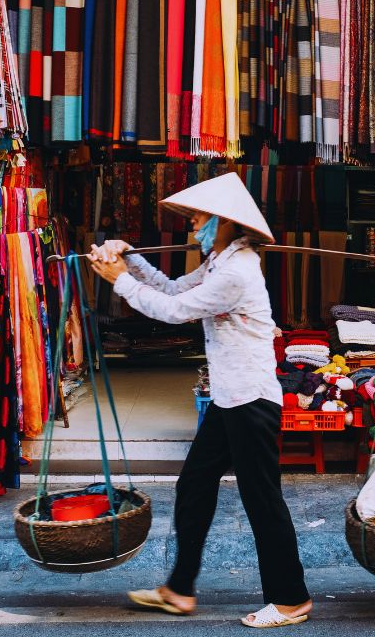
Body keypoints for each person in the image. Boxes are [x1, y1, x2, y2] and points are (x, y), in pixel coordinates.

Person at [88, 172, 312, 629]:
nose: (193, 227)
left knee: (262, 499)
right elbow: (171, 288)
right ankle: (180, 589)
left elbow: (172, 312)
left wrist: (120, 281)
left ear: (225, 223)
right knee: (194, 485)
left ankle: (290, 599)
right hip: (230, 398)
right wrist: (130, 259)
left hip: (250, 401)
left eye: (199, 218)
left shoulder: (236, 270)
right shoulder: (219, 262)